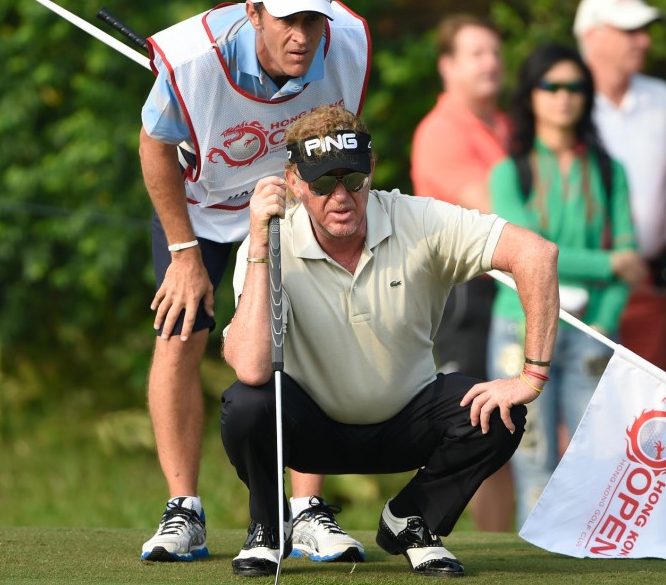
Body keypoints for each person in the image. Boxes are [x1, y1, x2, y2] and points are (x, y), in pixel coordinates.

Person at [220, 105, 561, 577]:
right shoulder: (268, 241)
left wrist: (531, 376)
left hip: (407, 420)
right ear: (294, 182)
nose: (340, 197)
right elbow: (252, 368)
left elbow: (536, 254)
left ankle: (412, 517)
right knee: (246, 405)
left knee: (500, 414)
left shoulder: (415, 218)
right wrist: (259, 245)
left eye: (354, 181)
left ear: (372, 170)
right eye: (322, 184)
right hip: (308, 429)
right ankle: (269, 525)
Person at [137, 0, 370, 563]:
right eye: (286, 20)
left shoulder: (346, 46)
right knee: (179, 332)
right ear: (255, 12)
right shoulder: (191, 61)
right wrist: (184, 253)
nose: (302, 36)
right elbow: (155, 147)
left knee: (307, 335)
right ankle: (182, 511)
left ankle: (306, 512)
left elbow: (336, 145)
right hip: (199, 211)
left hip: (290, 204)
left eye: (312, 20)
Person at [486, 44, 644, 527]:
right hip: (521, 326)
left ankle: (590, 558)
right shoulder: (509, 172)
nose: (563, 97)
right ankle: (539, 564)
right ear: (530, 96)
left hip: (592, 327)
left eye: (575, 87)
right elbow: (532, 254)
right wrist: (608, 262)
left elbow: (633, 260)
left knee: (594, 455)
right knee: (530, 456)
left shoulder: (609, 171)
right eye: (550, 86)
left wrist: (607, 319)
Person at [409, 14, 515, 531]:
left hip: (510, 289)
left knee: (524, 422)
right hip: (465, 295)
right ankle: (496, 544)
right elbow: (500, 210)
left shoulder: (507, 126)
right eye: (477, 53)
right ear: (447, 66)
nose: (491, 63)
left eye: (495, 52)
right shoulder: (440, 132)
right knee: (484, 420)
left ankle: (524, 539)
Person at [574, 0, 666, 371]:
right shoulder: (562, 101)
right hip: (577, 287)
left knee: (647, 415)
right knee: (578, 414)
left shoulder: (663, 99)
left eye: (645, 31)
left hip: (647, 284)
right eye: (629, 31)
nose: (644, 41)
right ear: (592, 37)